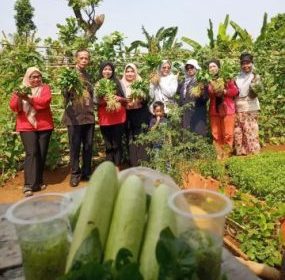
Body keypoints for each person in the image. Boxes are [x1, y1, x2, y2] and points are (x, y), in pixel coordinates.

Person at [9, 67, 54, 197]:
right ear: (28, 78)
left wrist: (28, 98)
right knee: (32, 152)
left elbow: (44, 103)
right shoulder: (21, 89)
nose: (36, 79)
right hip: (26, 126)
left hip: (44, 125)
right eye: (33, 77)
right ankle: (28, 185)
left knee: (41, 153)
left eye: (38, 76)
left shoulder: (45, 88)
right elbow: (14, 107)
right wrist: (19, 97)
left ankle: (38, 182)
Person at [62, 49, 95, 187]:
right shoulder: (69, 75)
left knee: (88, 146)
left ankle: (86, 172)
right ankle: (75, 174)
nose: (84, 60)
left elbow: (93, 94)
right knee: (75, 147)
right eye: (81, 58)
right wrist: (69, 89)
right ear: (76, 59)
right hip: (74, 117)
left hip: (88, 116)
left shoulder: (89, 75)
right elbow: (64, 94)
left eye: (86, 58)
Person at [96, 61, 127, 170]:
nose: (107, 71)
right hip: (105, 118)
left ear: (112, 71)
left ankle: (117, 166)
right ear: (101, 71)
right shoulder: (98, 84)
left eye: (109, 69)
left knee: (117, 143)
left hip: (118, 117)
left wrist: (119, 98)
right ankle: (109, 167)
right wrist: (104, 101)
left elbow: (126, 100)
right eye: (105, 69)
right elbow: (95, 102)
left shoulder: (118, 82)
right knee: (108, 144)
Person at [207, 59, 239, 159]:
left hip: (228, 110)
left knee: (228, 134)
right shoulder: (208, 81)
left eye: (214, 66)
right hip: (214, 111)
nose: (212, 68)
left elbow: (235, 91)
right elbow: (208, 94)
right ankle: (218, 154)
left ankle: (226, 154)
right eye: (210, 67)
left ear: (219, 67)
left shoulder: (227, 78)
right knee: (216, 134)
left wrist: (224, 91)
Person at [120, 63, 150, 166]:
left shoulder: (140, 82)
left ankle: (143, 163)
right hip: (127, 114)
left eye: (132, 71)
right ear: (124, 73)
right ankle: (134, 164)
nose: (129, 73)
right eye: (127, 71)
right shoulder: (121, 84)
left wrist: (141, 99)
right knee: (130, 139)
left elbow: (147, 99)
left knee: (141, 137)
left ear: (135, 72)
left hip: (140, 113)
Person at [234, 53, 261, 155]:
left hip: (251, 107)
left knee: (251, 131)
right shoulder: (237, 77)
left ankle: (253, 153)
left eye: (248, 63)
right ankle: (242, 153)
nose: (246, 66)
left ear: (252, 63)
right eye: (243, 63)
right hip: (238, 107)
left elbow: (255, 93)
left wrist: (255, 85)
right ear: (241, 65)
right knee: (239, 131)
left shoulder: (255, 76)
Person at [177, 59, 208, 136]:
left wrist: (202, 90)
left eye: (192, 67)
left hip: (197, 110)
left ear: (196, 68)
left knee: (197, 133)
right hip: (185, 111)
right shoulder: (184, 82)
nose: (189, 69)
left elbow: (205, 97)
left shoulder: (201, 80)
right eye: (187, 68)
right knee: (186, 133)